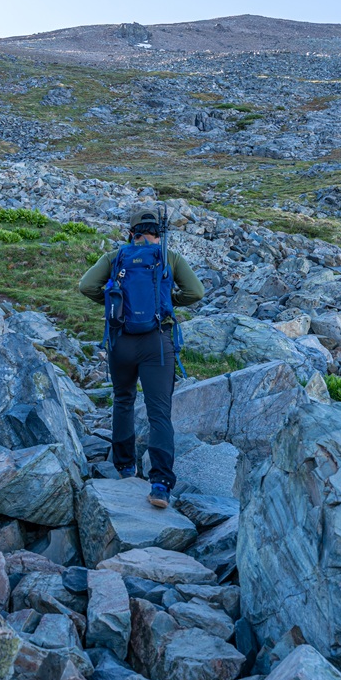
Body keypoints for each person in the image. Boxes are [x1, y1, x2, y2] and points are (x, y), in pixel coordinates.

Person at [79, 207, 205, 508]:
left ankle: (125, 468)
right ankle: (160, 485)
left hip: (121, 341)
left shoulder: (117, 257)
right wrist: (167, 301)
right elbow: (196, 292)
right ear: (156, 232)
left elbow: (86, 286)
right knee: (159, 411)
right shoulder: (167, 257)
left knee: (123, 399)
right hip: (157, 343)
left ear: (131, 232)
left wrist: (114, 302)